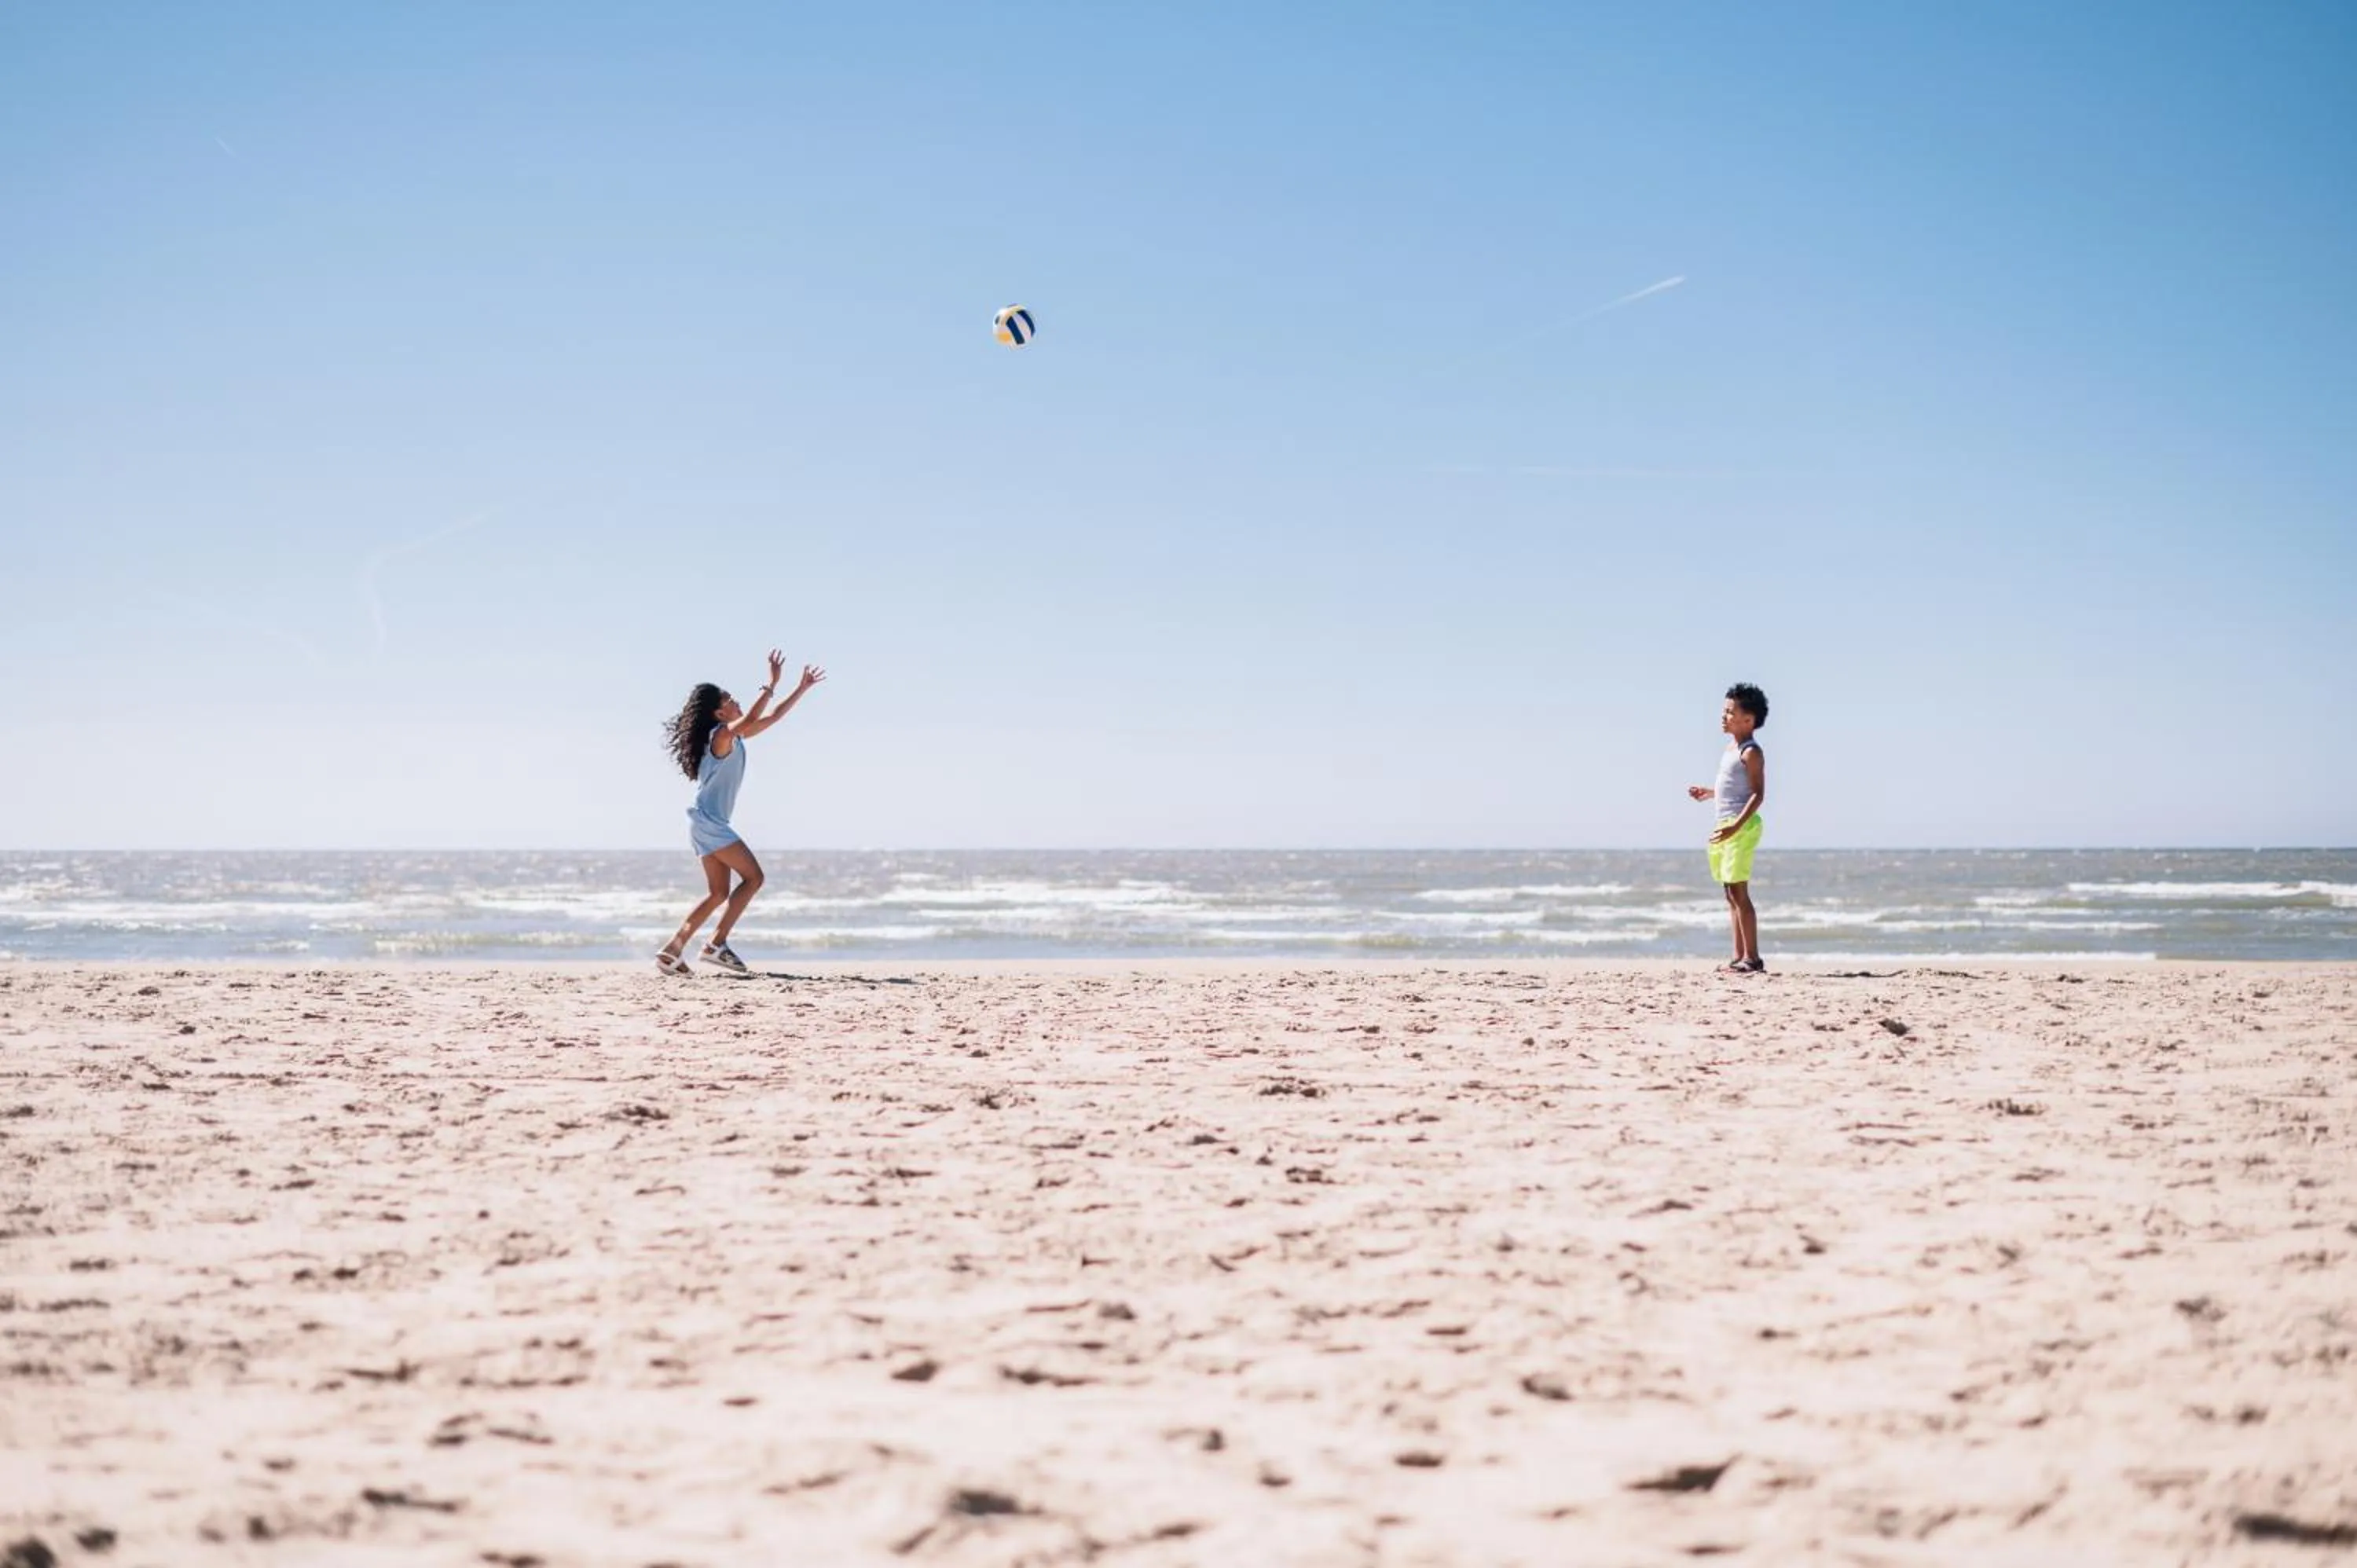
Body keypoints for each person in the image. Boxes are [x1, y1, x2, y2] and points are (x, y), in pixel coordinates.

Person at [655, 650, 825, 975]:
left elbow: (772, 718)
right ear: (720, 713)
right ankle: (716, 944)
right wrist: (771, 683)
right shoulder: (721, 736)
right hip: (710, 823)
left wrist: (801, 688)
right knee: (754, 878)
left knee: (718, 892)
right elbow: (746, 722)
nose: (736, 701)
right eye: (731, 700)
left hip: (703, 822)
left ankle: (672, 950)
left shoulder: (730, 737)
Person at [1688, 683, 1769, 973]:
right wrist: (1709, 793)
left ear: (1748, 720)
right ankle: (1738, 956)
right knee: (1729, 893)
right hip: (1725, 825)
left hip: (1741, 826)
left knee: (1740, 892)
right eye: (1724, 710)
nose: (1723, 716)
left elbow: (1757, 794)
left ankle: (1753, 958)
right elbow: (1732, 788)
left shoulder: (1751, 752)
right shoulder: (1730, 748)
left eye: (1730, 712)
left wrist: (1736, 826)